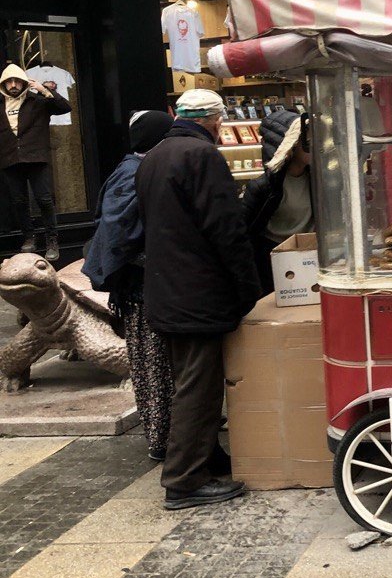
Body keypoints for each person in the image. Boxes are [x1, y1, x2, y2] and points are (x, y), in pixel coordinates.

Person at [136, 89, 260, 510]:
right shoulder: (203, 156)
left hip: (168, 291)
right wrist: (248, 288)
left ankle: (205, 458)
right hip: (197, 294)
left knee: (189, 383)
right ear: (215, 120)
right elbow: (227, 229)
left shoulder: (154, 156)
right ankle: (183, 481)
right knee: (199, 389)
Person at [82, 111, 175, 461]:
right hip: (140, 290)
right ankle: (161, 436)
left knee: (152, 364)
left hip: (141, 289)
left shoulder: (133, 169)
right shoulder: (132, 174)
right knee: (153, 365)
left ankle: (162, 431)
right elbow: (118, 236)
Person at [0, 64, 72, 261]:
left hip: (36, 157)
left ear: (24, 82)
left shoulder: (37, 101)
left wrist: (44, 90)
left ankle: (52, 240)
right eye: (9, 82)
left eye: (17, 81)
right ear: (3, 84)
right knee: (19, 201)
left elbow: (65, 107)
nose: (13, 85)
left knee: (44, 199)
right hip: (10, 158)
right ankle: (29, 237)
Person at [242, 110, 312, 296]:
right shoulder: (263, 188)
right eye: (306, 140)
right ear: (290, 144)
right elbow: (244, 233)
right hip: (273, 264)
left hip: (311, 257)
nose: (313, 144)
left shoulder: (320, 182)